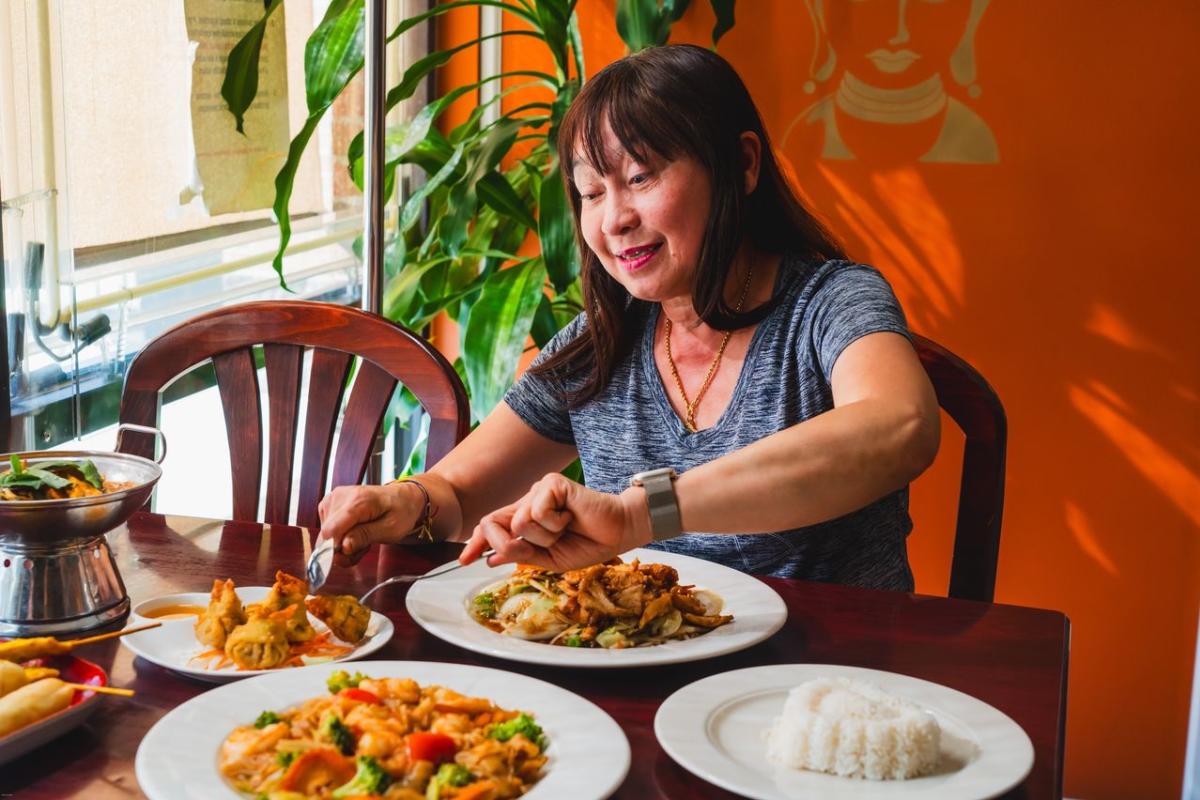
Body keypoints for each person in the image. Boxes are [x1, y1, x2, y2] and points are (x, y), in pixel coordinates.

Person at [318, 44, 940, 591]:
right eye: (591, 192)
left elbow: (901, 425)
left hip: (831, 676)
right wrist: (403, 500)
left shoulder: (830, 302)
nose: (614, 219)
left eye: (640, 176)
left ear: (742, 165)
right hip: (645, 673)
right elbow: (456, 494)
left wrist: (642, 513)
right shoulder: (602, 341)